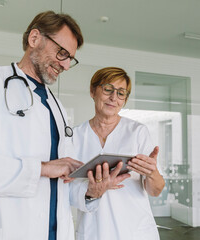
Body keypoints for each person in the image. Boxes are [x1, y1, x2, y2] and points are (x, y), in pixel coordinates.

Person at [0, 11, 127, 240]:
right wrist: (41, 168)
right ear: (34, 39)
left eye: (70, 58)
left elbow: (60, 185)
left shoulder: (57, 107)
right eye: (62, 53)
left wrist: (92, 191)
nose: (65, 65)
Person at [70, 67, 166, 240]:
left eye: (121, 93)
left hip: (134, 231)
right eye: (108, 89)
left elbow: (155, 191)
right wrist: (91, 190)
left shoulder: (137, 132)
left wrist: (152, 173)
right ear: (93, 91)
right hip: (94, 231)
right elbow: (65, 187)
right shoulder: (75, 136)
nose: (114, 97)